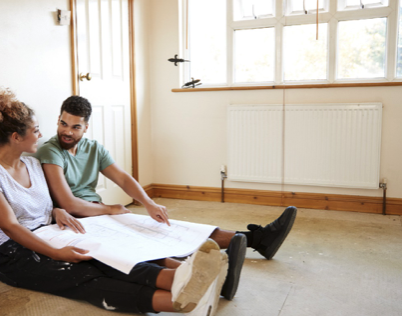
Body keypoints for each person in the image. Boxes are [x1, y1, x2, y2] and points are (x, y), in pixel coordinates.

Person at [0, 88, 230, 316]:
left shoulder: (33, 166)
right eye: (35, 130)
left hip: (47, 233)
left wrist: (55, 211)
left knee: (104, 252)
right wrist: (57, 253)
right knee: (85, 276)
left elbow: (42, 206)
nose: (40, 134)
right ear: (16, 137)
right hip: (14, 254)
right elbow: (11, 227)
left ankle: (181, 280)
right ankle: (181, 301)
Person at [35, 95, 298, 301]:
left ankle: (253, 238)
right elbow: (68, 203)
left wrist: (148, 203)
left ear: (86, 127)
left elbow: (124, 179)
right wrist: (111, 209)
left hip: (98, 211)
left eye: (75, 126)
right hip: (78, 218)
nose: (67, 131)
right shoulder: (50, 150)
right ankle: (217, 268)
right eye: (63, 124)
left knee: (159, 224)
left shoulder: (94, 148)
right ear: (58, 120)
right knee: (142, 238)